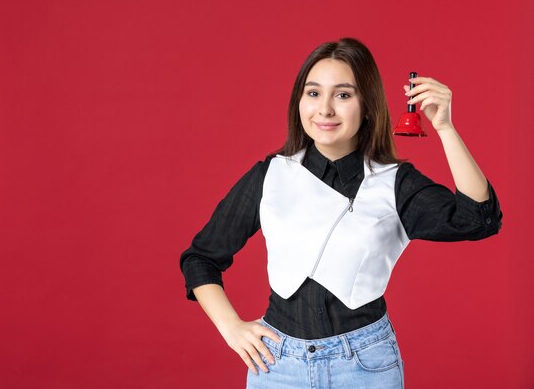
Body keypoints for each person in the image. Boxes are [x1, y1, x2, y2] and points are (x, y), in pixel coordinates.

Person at [179, 37, 502, 389]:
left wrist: (445, 128)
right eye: (313, 93)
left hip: (366, 365)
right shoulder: (271, 174)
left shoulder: (394, 183)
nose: (325, 110)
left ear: (367, 105)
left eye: (343, 95)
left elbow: (478, 219)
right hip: (277, 365)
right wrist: (232, 328)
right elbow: (201, 258)